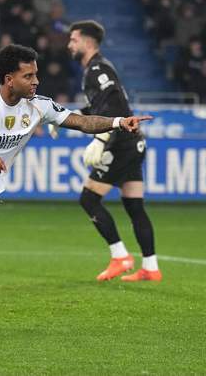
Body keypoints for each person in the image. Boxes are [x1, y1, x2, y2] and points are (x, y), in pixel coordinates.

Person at [0, 44, 151, 340]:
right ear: (9, 79)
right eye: (28, 76)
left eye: (36, 75)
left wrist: (118, 122)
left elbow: (81, 121)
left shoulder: (39, 106)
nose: (36, 81)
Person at [66, 20, 162, 283]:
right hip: (134, 143)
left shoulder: (97, 68)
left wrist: (101, 138)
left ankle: (120, 256)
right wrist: (68, 117)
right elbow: (100, 107)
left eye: (73, 40)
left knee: (88, 199)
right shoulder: (96, 68)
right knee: (134, 205)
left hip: (120, 144)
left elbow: (115, 105)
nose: (69, 45)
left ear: (87, 42)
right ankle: (150, 267)